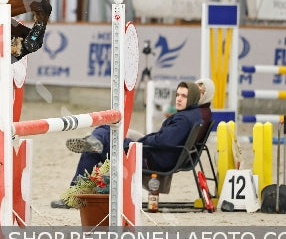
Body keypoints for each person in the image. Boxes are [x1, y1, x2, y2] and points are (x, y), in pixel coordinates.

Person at [51, 80, 203, 208]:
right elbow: (164, 139)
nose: (179, 99)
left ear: (192, 97)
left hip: (149, 158)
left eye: (184, 96)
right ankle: (92, 143)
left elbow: (163, 140)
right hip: (155, 155)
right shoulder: (193, 115)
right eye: (177, 95)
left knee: (101, 138)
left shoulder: (183, 119)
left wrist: (141, 142)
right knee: (105, 133)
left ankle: (75, 194)